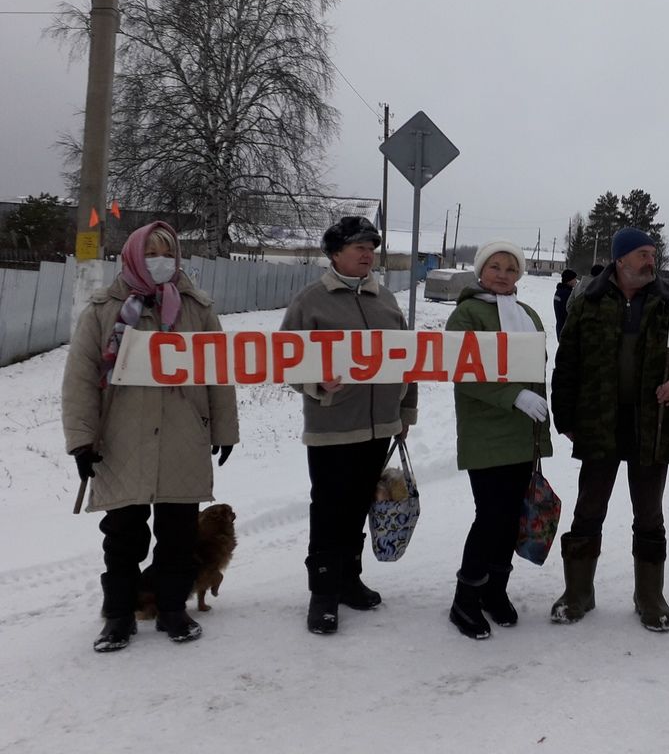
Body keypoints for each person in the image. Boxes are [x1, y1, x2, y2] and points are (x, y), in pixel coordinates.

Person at [62, 221, 239, 652]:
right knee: (124, 535)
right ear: (134, 256)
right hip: (122, 441)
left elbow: (218, 373)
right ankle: (118, 616)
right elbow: (81, 379)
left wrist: (224, 429)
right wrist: (81, 441)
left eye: (167, 252)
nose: (160, 261)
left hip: (183, 435)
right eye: (151, 253)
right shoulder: (105, 309)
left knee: (179, 536)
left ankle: (172, 608)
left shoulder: (196, 308)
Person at [550, 228, 669, 632]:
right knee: (588, 511)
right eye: (641, 254)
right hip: (598, 423)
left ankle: (649, 596)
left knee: (649, 515)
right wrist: (565, 419)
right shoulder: (589, 302)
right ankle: (578, 593)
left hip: (650, 425)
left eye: (652, 253)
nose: (650, 260)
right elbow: (567, 364)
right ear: (620, 260)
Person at [281, 216, 418, 635]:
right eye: (358, 246)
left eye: (371, 247)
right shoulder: (311, 301)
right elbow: (286, 360)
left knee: (359, 506)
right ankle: (322, 593)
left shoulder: (387, 302)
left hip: (379, 427)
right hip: (332, 426)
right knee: (329, 510)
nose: (367, 254)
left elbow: (407, 361)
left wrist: (405, 414)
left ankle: (348, 580)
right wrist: (315, 382)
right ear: (335, 253)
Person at [444, 241, 552, 639]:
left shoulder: (527, 314)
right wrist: (513, 396)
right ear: (480, 271)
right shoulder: (467, 314)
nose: (503, 274)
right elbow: (463, 371)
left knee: (511, 519)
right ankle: (465, 599)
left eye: (511, 268)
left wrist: (540, 423)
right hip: (487, 430)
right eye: (495, 266)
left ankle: (494, 590)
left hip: (523, 433)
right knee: (490, 518)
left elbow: (536, 372)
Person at [553, 268, 578, 340]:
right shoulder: (567, 294)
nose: (576, 281)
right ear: (569, 280)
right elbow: (570, 313)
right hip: (567, 331)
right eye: (574, 279)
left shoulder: (558, 292)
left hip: (560, 328)